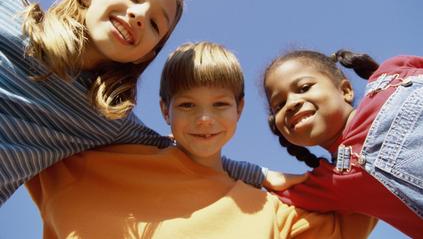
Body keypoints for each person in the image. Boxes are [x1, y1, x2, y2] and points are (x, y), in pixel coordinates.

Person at [26, 41, 377, 238]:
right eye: (187, 104)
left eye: (220, 104)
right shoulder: (99, 160)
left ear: (239, 109)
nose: (205, 119)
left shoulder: (268, 210)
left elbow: (362, 201)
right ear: (166, 110)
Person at [0, 0, 268, 206]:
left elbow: (189, 150)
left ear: (147, 53)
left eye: (154, 24)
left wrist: (261, 175)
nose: (140, 15)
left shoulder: (108, 120)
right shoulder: (7, 5)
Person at [262, 49, 423, 237]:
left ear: (345, 90)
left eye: (304, 88)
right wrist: (260, 174)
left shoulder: (391, 72)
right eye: (279, 106)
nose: (291, 103)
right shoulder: (333, 182)